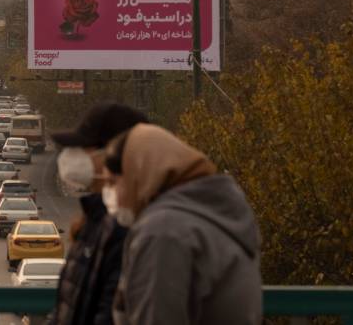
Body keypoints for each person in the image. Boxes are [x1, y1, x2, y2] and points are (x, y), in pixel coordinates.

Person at [105, 124, 262, 325]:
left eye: (113, 182)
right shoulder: (216, 218)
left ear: (138, 174)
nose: (111, 195)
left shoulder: (163, 231)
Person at [47, 102, 149, 325]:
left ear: (114, 153)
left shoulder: (128, 228)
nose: (71, 156)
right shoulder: (94, 220)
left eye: (84, 147)